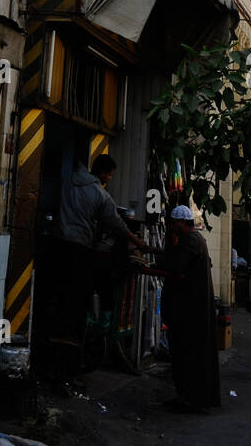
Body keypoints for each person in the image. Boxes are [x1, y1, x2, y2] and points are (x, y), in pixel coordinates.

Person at [50, 154, 147, 345]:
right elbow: (116, 223)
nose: (109, 179)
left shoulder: (69, 181)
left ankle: (56, 329)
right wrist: (136, 240)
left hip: (58, 241)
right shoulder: (98, 193)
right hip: (79, 246)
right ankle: (70, 334)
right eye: (110, 175)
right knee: (77, 292)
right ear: (102, 173)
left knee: (60, 289)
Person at [149, 205, 221, 413]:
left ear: (181, 223)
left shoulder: (190, 241)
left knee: (186, 353)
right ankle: (190, 396)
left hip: (189, 310)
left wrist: (155, 261)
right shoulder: (197, 240)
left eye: (174, 224)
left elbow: (175, 266)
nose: (172, 227)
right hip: (194, 309)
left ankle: (190, 397)